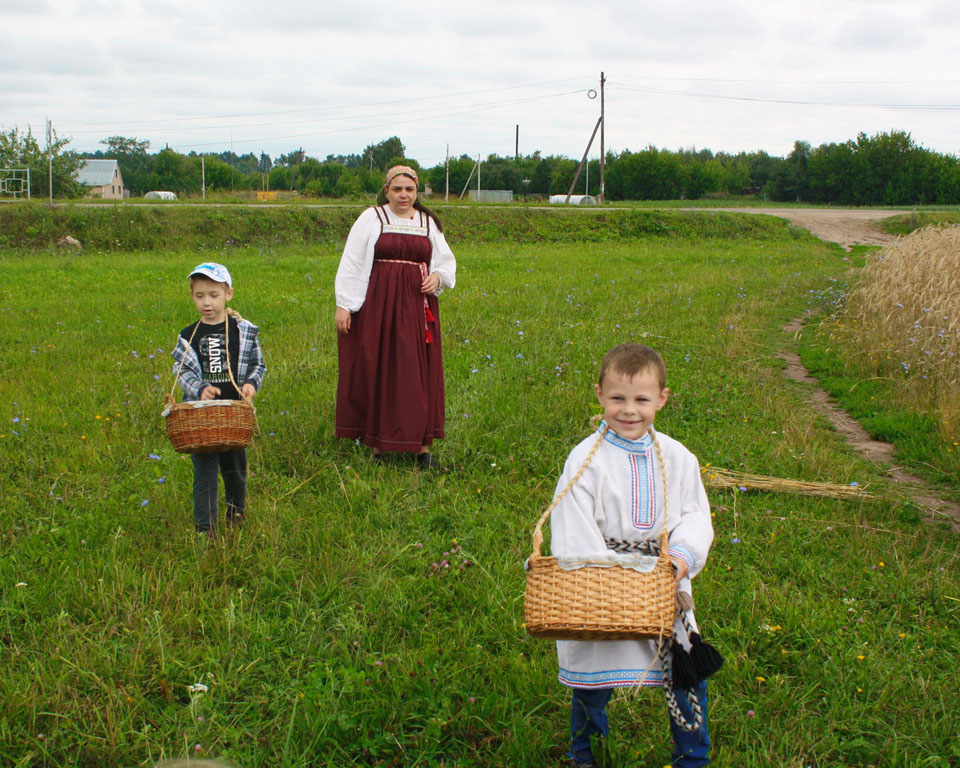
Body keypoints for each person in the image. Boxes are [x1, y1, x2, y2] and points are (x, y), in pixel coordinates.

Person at [550, 344, 715, 767]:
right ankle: (585, 754)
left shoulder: (678, 458)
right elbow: (571, 523)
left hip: (664, 581)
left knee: (684, 671)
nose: (629, 410)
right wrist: (606, 577)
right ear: (599, 396)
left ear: (662, 398)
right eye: (617, 398)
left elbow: (695, 514)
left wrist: (679, 558)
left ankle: (692, 757)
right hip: (600, 589)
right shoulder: (585, 460)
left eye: (641, 399)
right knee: (592, 681)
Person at [334, 165, 456, 468]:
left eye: (409, 190)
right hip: (379, 304)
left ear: (417, 192)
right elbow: (352, 261)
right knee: (380, 367)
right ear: (386, 190)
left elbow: (446, 262)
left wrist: (438, 279)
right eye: (397, 189)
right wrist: (345, 304)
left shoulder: (428, 222)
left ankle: (421, 447)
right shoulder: (372, 218)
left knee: (417, 371)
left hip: (417, 307)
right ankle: (378, 444)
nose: (404, 195)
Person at [171, 262, 266, 536]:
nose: (207, 303)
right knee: (204, 473)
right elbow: (182, 371)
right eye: (200, 296)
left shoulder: (242, 331)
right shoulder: (188, 334)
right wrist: (199, 388)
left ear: (229, 294)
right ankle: (205, 527)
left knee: (235, 469)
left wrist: (250, 384)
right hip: (201, 418)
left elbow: (258, 365)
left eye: (214, 295)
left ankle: (236, 512)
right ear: (192, 296)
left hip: (234, 415)